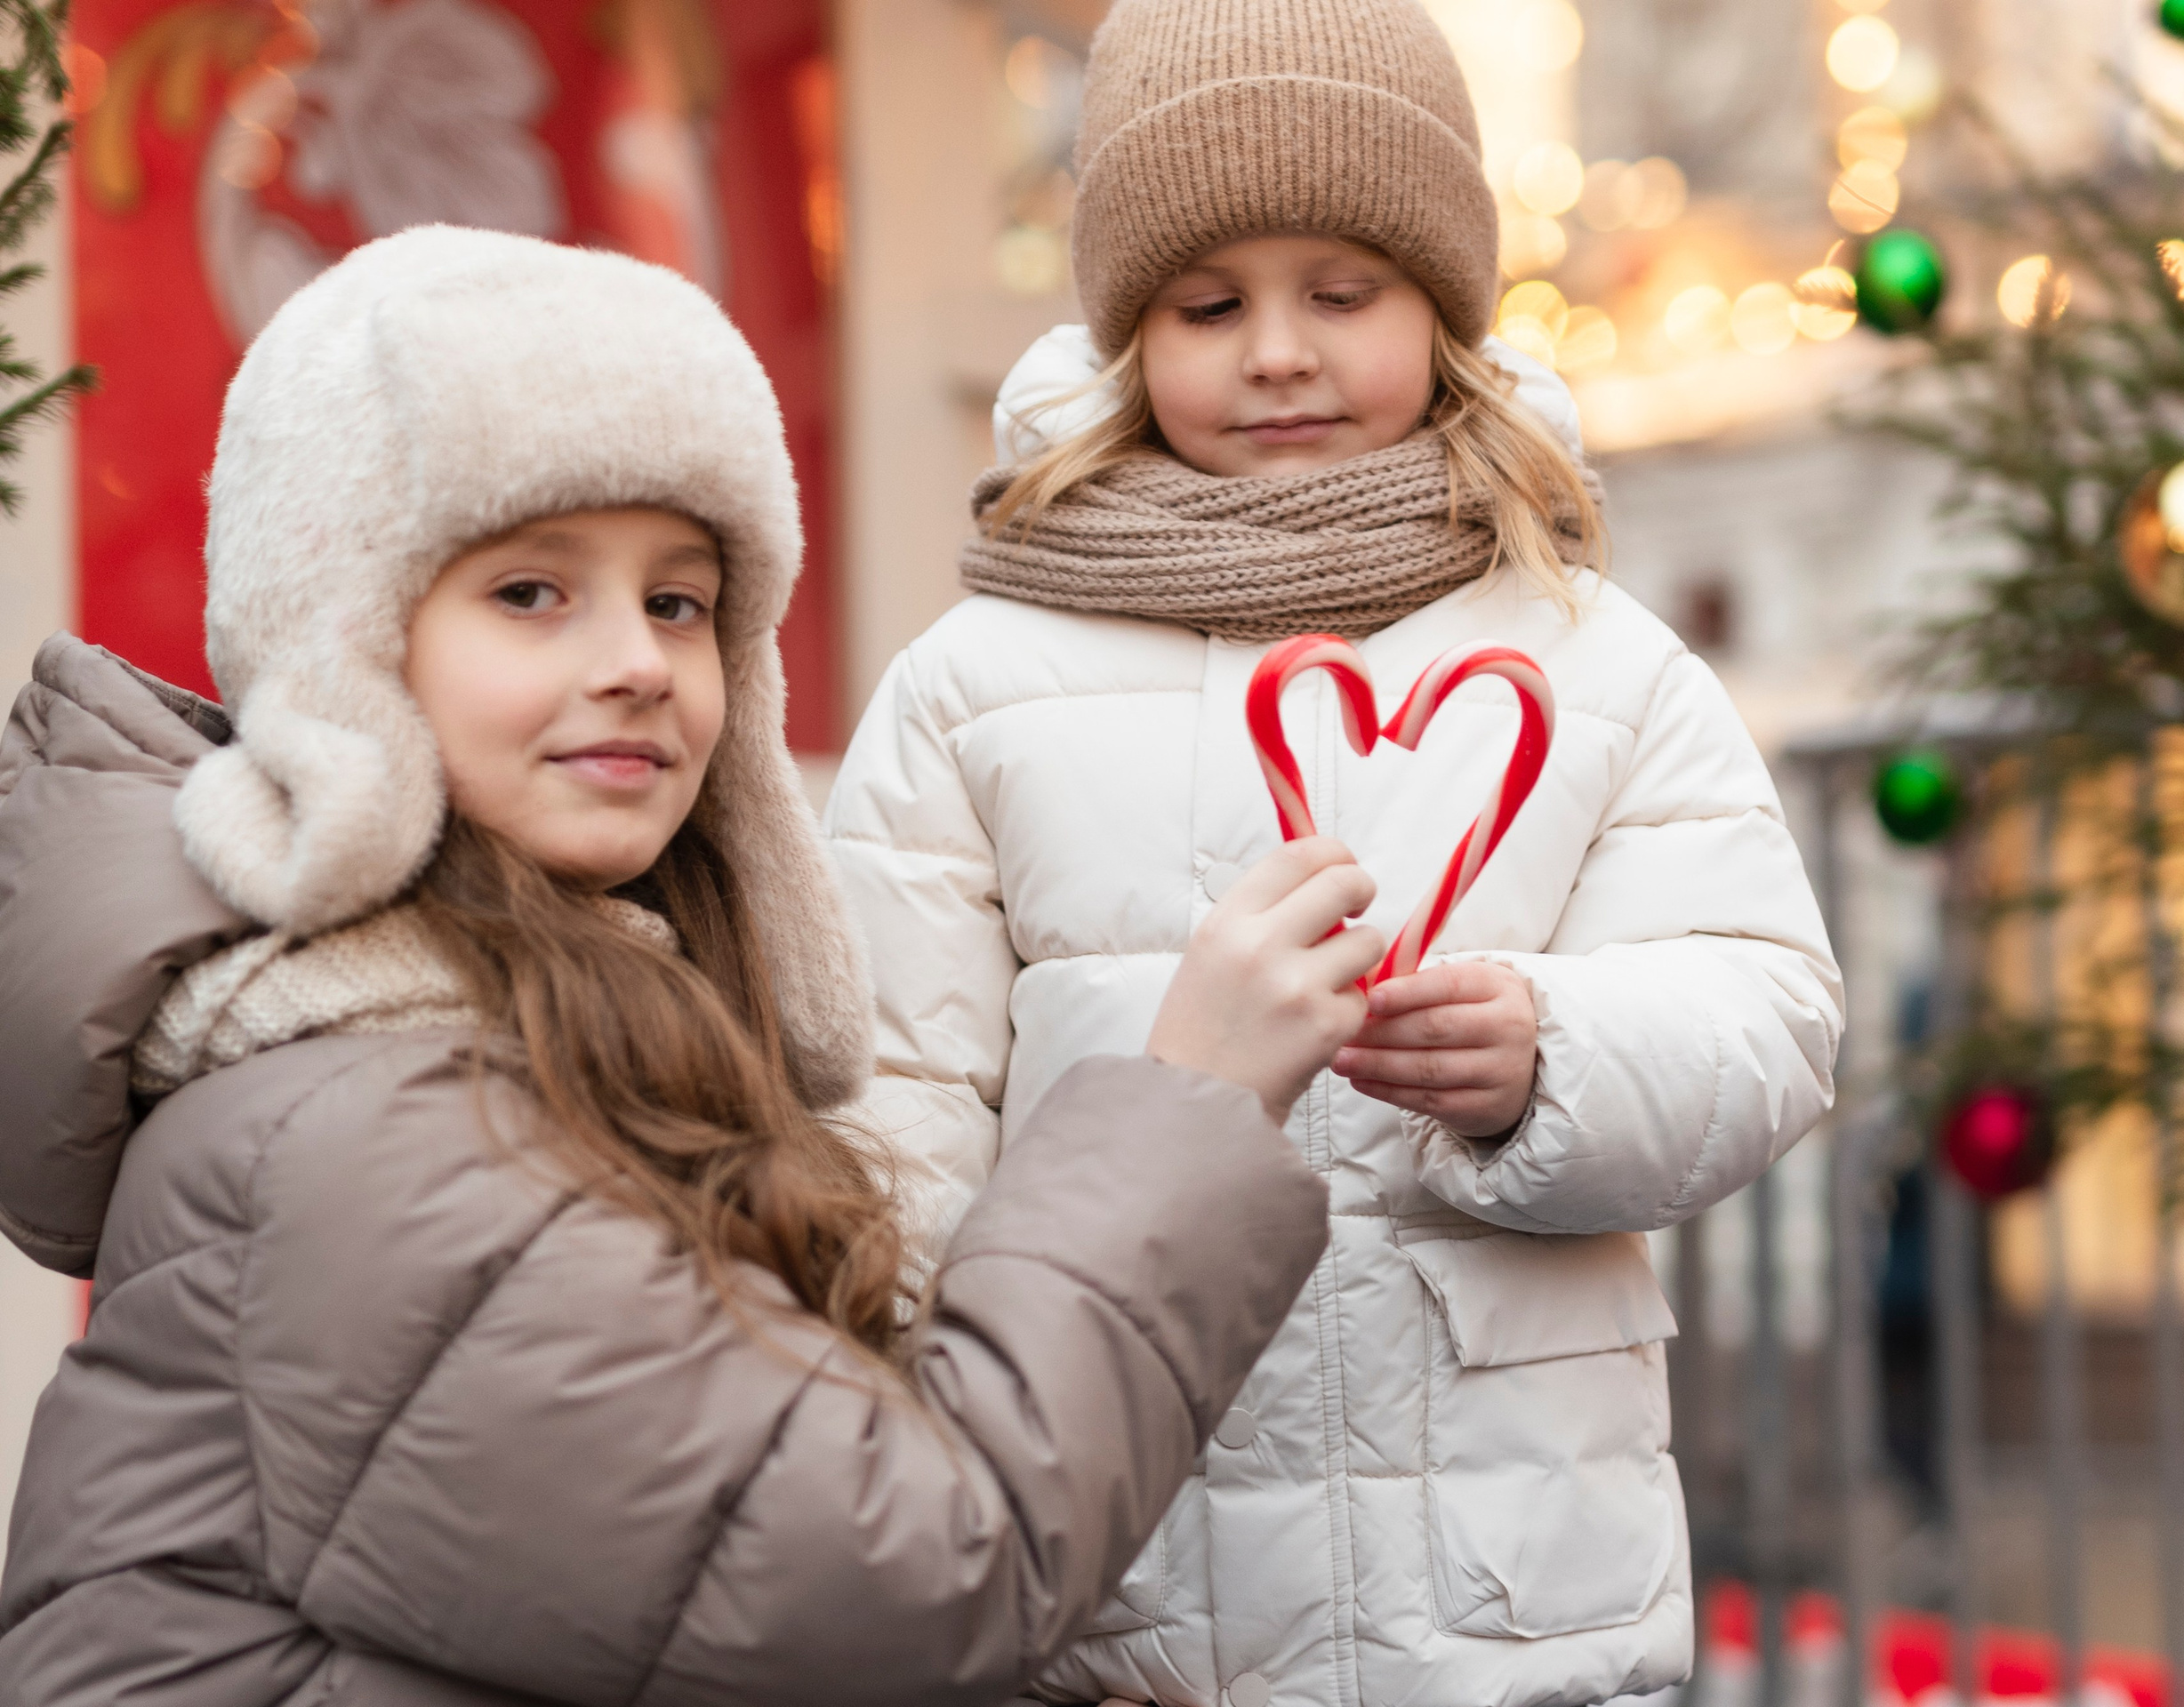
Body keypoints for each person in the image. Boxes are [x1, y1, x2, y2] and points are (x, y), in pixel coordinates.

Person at [0, 226, 1393, 1707]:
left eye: (678, 600)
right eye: (531, 592)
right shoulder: (368, 1137)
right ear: (351, 651)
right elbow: (912, 1576)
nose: (641, 663)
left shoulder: (536, 1048)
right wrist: (1185, 1105)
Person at [821, 3, 1846, 1704]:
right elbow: (891, 1099)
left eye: (1342, 293)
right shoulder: (978, 685)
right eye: (1207, 305)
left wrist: (1552, 1058)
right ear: (1125, 325)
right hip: (1134, 1590)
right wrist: (929, 1442)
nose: (1276, 352)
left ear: (1439, 310)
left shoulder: (1588, 654)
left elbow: (1766, 1008)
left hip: (1514, 1611)